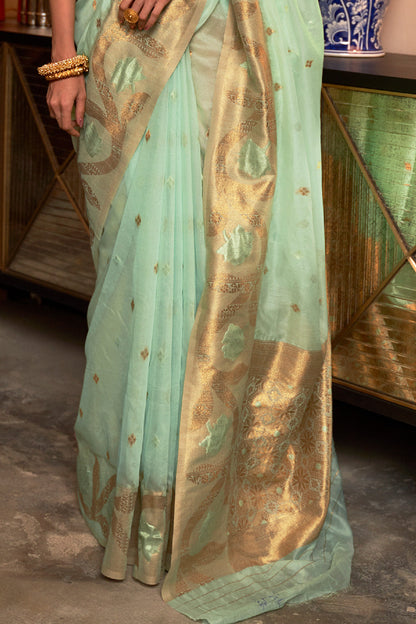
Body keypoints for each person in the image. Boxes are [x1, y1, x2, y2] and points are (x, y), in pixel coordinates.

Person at [44, 0, 354, 621]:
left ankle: (207, 508)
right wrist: (63, 54)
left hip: (241, 34)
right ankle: (146, 496)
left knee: (229, 273)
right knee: (142, 267)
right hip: (127, 40)